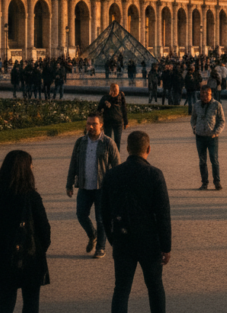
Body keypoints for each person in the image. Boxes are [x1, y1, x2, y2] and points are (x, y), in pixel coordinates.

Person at [101, 131, 172, 313]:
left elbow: (104, 212)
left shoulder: (112, 175)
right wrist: (166, 245)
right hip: (149, 239)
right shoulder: (155, 174)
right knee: (155, 287)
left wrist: (112, 238)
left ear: (127, 149)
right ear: (148, 149)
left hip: (123, 238)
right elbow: (163, 213)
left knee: (121, 289)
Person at [0, 150, 51, 313]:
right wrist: (40, 249)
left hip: (2, 255)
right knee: (31, 303)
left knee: (5, 304)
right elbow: (44, 228)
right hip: (29, 254)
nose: (33, 167)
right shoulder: (31, 196)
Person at [65, 115, 120, 259]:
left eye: (94, 124)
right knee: (81, 214)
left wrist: (116, 188)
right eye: (88, 124)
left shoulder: (108, 143)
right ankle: (92, 234)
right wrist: (69, 184)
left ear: (101, 125)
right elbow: (73, 164)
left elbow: (117, 167)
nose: (90, 127)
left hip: (102, 187)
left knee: (101, 219)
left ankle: (101, 247)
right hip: (84, 186)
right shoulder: (80, 142)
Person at [191, 85, 225, 190]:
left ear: (210, 94)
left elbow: (222, 121)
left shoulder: (217, 105)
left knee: (214, 160)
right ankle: (204, 183)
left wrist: (217, 132)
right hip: (200, 136)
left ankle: (217, 182)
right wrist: (194, 128)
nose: (204, 97)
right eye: (202, 95)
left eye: (206, 95)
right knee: (202, 161)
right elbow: (193, 119)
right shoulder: (196, 105)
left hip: (212, 137)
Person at [97, 83, 128, 152]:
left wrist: (126, 122)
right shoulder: (105, 97)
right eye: (114, 90)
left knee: (117, 140)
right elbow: (99, 109)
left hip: (118, 122)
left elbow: (124, 109)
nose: (115, 92)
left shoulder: (121, 96)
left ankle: (116, 155)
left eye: (117, 90)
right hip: (108, 121)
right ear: (111, 90)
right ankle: (108, 154)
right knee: (108, 140)